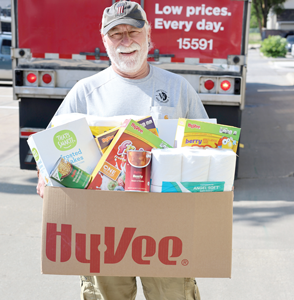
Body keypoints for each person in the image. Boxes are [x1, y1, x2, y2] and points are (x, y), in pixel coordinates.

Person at [37, 1, 208, 299]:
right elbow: (50, 150)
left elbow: (208, 148)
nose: (126, 40)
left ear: (149, 36)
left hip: (166, 228)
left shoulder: (179, 89)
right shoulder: (85, 92)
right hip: (103, 230)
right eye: (116, 34)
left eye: (133, 31)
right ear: (104, 41)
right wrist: (44, 173)